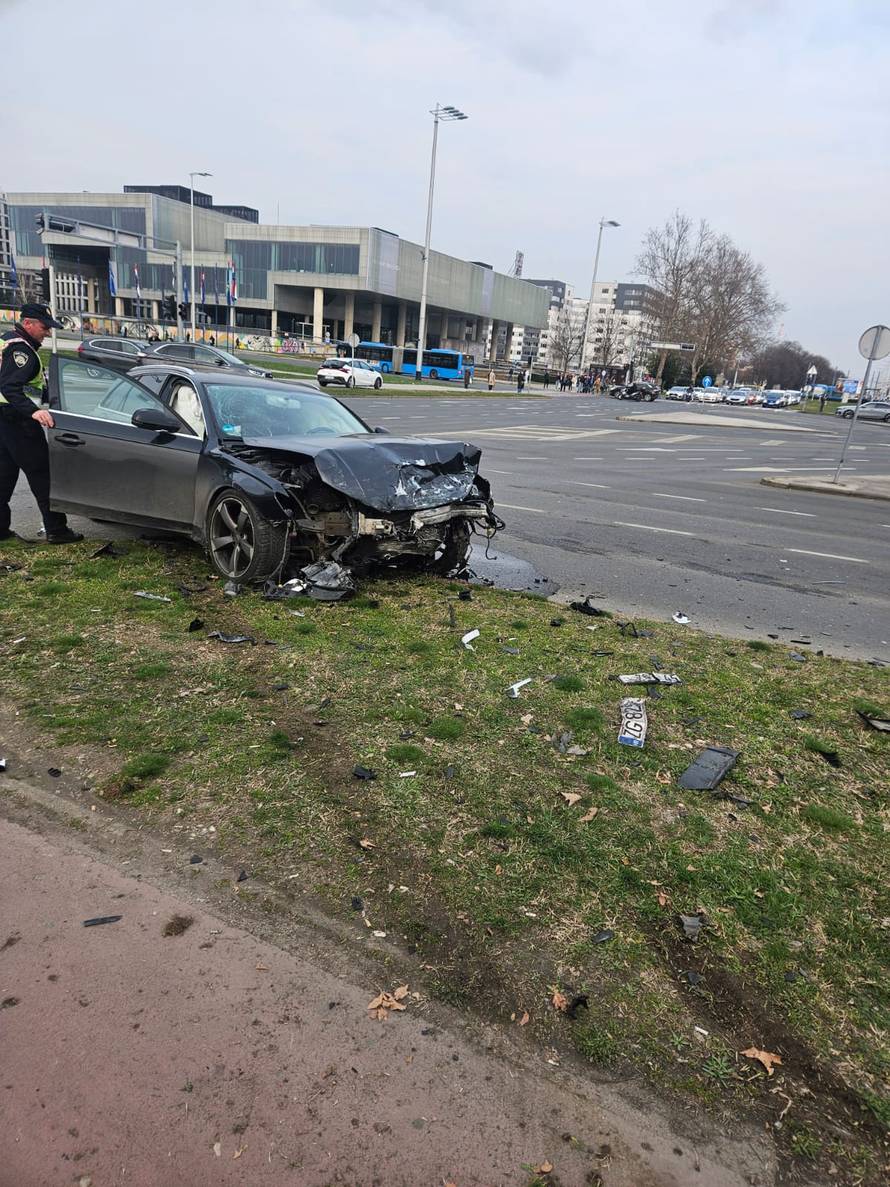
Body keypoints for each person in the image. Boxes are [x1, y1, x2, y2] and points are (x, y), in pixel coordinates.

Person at [0, 304, 83, 543]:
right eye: (45, 327)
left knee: (3, 476)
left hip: (4, 421)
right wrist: (34, 411)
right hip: (19, 422)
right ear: (28, 323)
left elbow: (25, 387)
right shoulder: (22, 352)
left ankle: (0, 530)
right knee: (42, 476)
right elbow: (10, 387)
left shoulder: (6, 340)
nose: (47, 332)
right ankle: (57, 530)